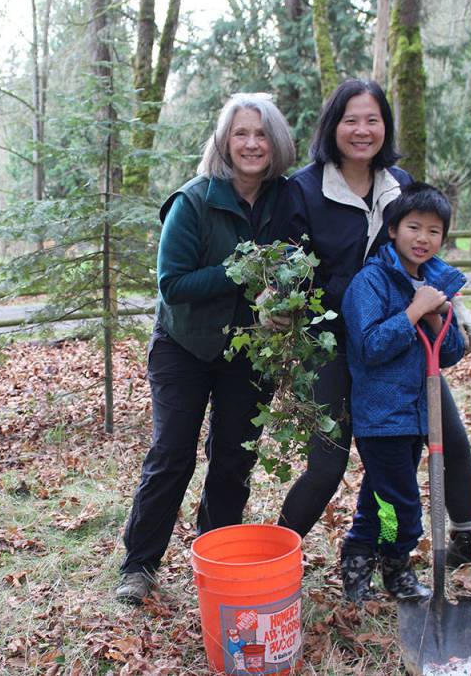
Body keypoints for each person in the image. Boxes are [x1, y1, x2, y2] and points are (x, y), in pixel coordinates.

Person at [273, 78, 471, 581]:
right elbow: (288, 266)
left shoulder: (399, 183)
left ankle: (462, 539)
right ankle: (277, 554)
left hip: (401, 341)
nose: (362, 131)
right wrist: (276, 306)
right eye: (351, 120)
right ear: (333, 125)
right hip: (336, 344)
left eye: (373, 120)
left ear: (385, 126)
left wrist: (451, 306)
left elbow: (421, 251)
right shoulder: (303, 188)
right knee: (329, 460)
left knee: (443, 437)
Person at [115, 93, 298, 604]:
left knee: (233, 460)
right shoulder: (193, 200)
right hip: (184, 347)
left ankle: (214, 557)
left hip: (249, 351)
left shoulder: (286, 199)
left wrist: (283, 295)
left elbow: (305, 259)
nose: (251, 143)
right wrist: (244, 273)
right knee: (173, 453)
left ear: (276, 142)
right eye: (241, 133)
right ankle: (139, 565)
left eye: (261, 134)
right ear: (223, 140)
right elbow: (172, 283)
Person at [340, 182, 465, 602]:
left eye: (434, 231)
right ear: (393, 229)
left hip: (415, 415)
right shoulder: (370, 283)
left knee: (381, 501)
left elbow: (447, 354)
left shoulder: (433, 285)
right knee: (402, 509)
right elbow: (370, 346)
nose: (423, 239)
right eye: (414, 227)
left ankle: (361, 565)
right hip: (382, 417)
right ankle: (396, 563)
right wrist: (414, 311)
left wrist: (436, 318)